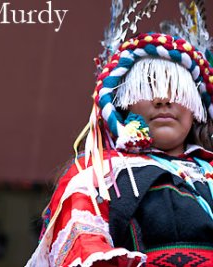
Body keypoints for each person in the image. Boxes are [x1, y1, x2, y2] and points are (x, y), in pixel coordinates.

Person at [26, 1, 213, 266]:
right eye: (146, 87)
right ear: (123, 104)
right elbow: (83, 245)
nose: (162, 99)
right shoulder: (99, 175)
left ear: (196, 107)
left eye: (176, 89)